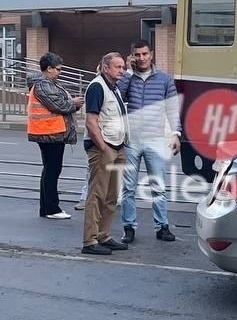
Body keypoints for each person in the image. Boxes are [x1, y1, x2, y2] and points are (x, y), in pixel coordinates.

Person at [120, 39, 182, 244]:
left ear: (151, 54)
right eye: (137, 55)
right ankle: (129, 227)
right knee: (128, 187)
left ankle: (162, 226)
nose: (142, 58)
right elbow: (118, 97)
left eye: (145, 54)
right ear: (132, 56)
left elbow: (172, 109)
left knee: (159, 186)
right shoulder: (128, 78)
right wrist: (128, 73)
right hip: (132, 140)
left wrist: (176, 133)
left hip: (155, 139)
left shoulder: (164, 79)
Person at [81, 52, 130, 257]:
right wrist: (103, 148)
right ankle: (90, 240)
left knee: (111, 195)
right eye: (118, 67)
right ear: (106, 67)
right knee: (97, 195)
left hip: (117, 146)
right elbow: (91, 122)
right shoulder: (97, 87)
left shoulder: (114, 87)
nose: (122, 71)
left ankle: (104, 235)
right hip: (104, 148)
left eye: (122, 67)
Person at [26, 53, 84, 220]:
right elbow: (58, 105)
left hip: (48, 132)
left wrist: (70, 102)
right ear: (49, 68)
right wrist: (74, 103)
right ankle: (51, 208)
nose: (60, 72)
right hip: (49, 132)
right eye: (58, 69)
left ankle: (46, 207)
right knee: (52, 170)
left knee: (50, 170)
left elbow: (57, 102)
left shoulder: (45, 84)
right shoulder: (43, 85)